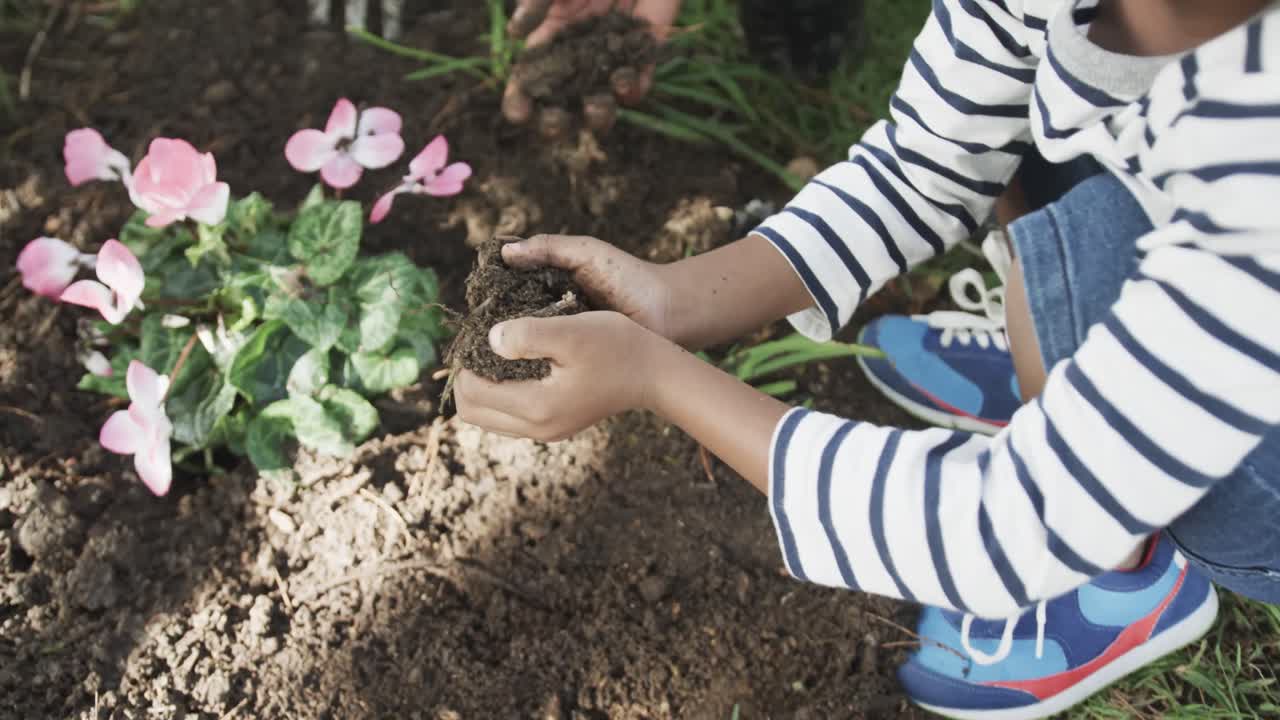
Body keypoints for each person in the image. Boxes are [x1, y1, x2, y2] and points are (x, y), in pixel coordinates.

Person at [459, 1, 1280, 717]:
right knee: (1032, 130)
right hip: (1220, 306)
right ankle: (1103, 380)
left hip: (1244, 461)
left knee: (1080, 237)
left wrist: (656, 377)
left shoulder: (1259, 142)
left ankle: (1111, 576)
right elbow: (926, 160)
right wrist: (671, 300)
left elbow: (1009, 523)